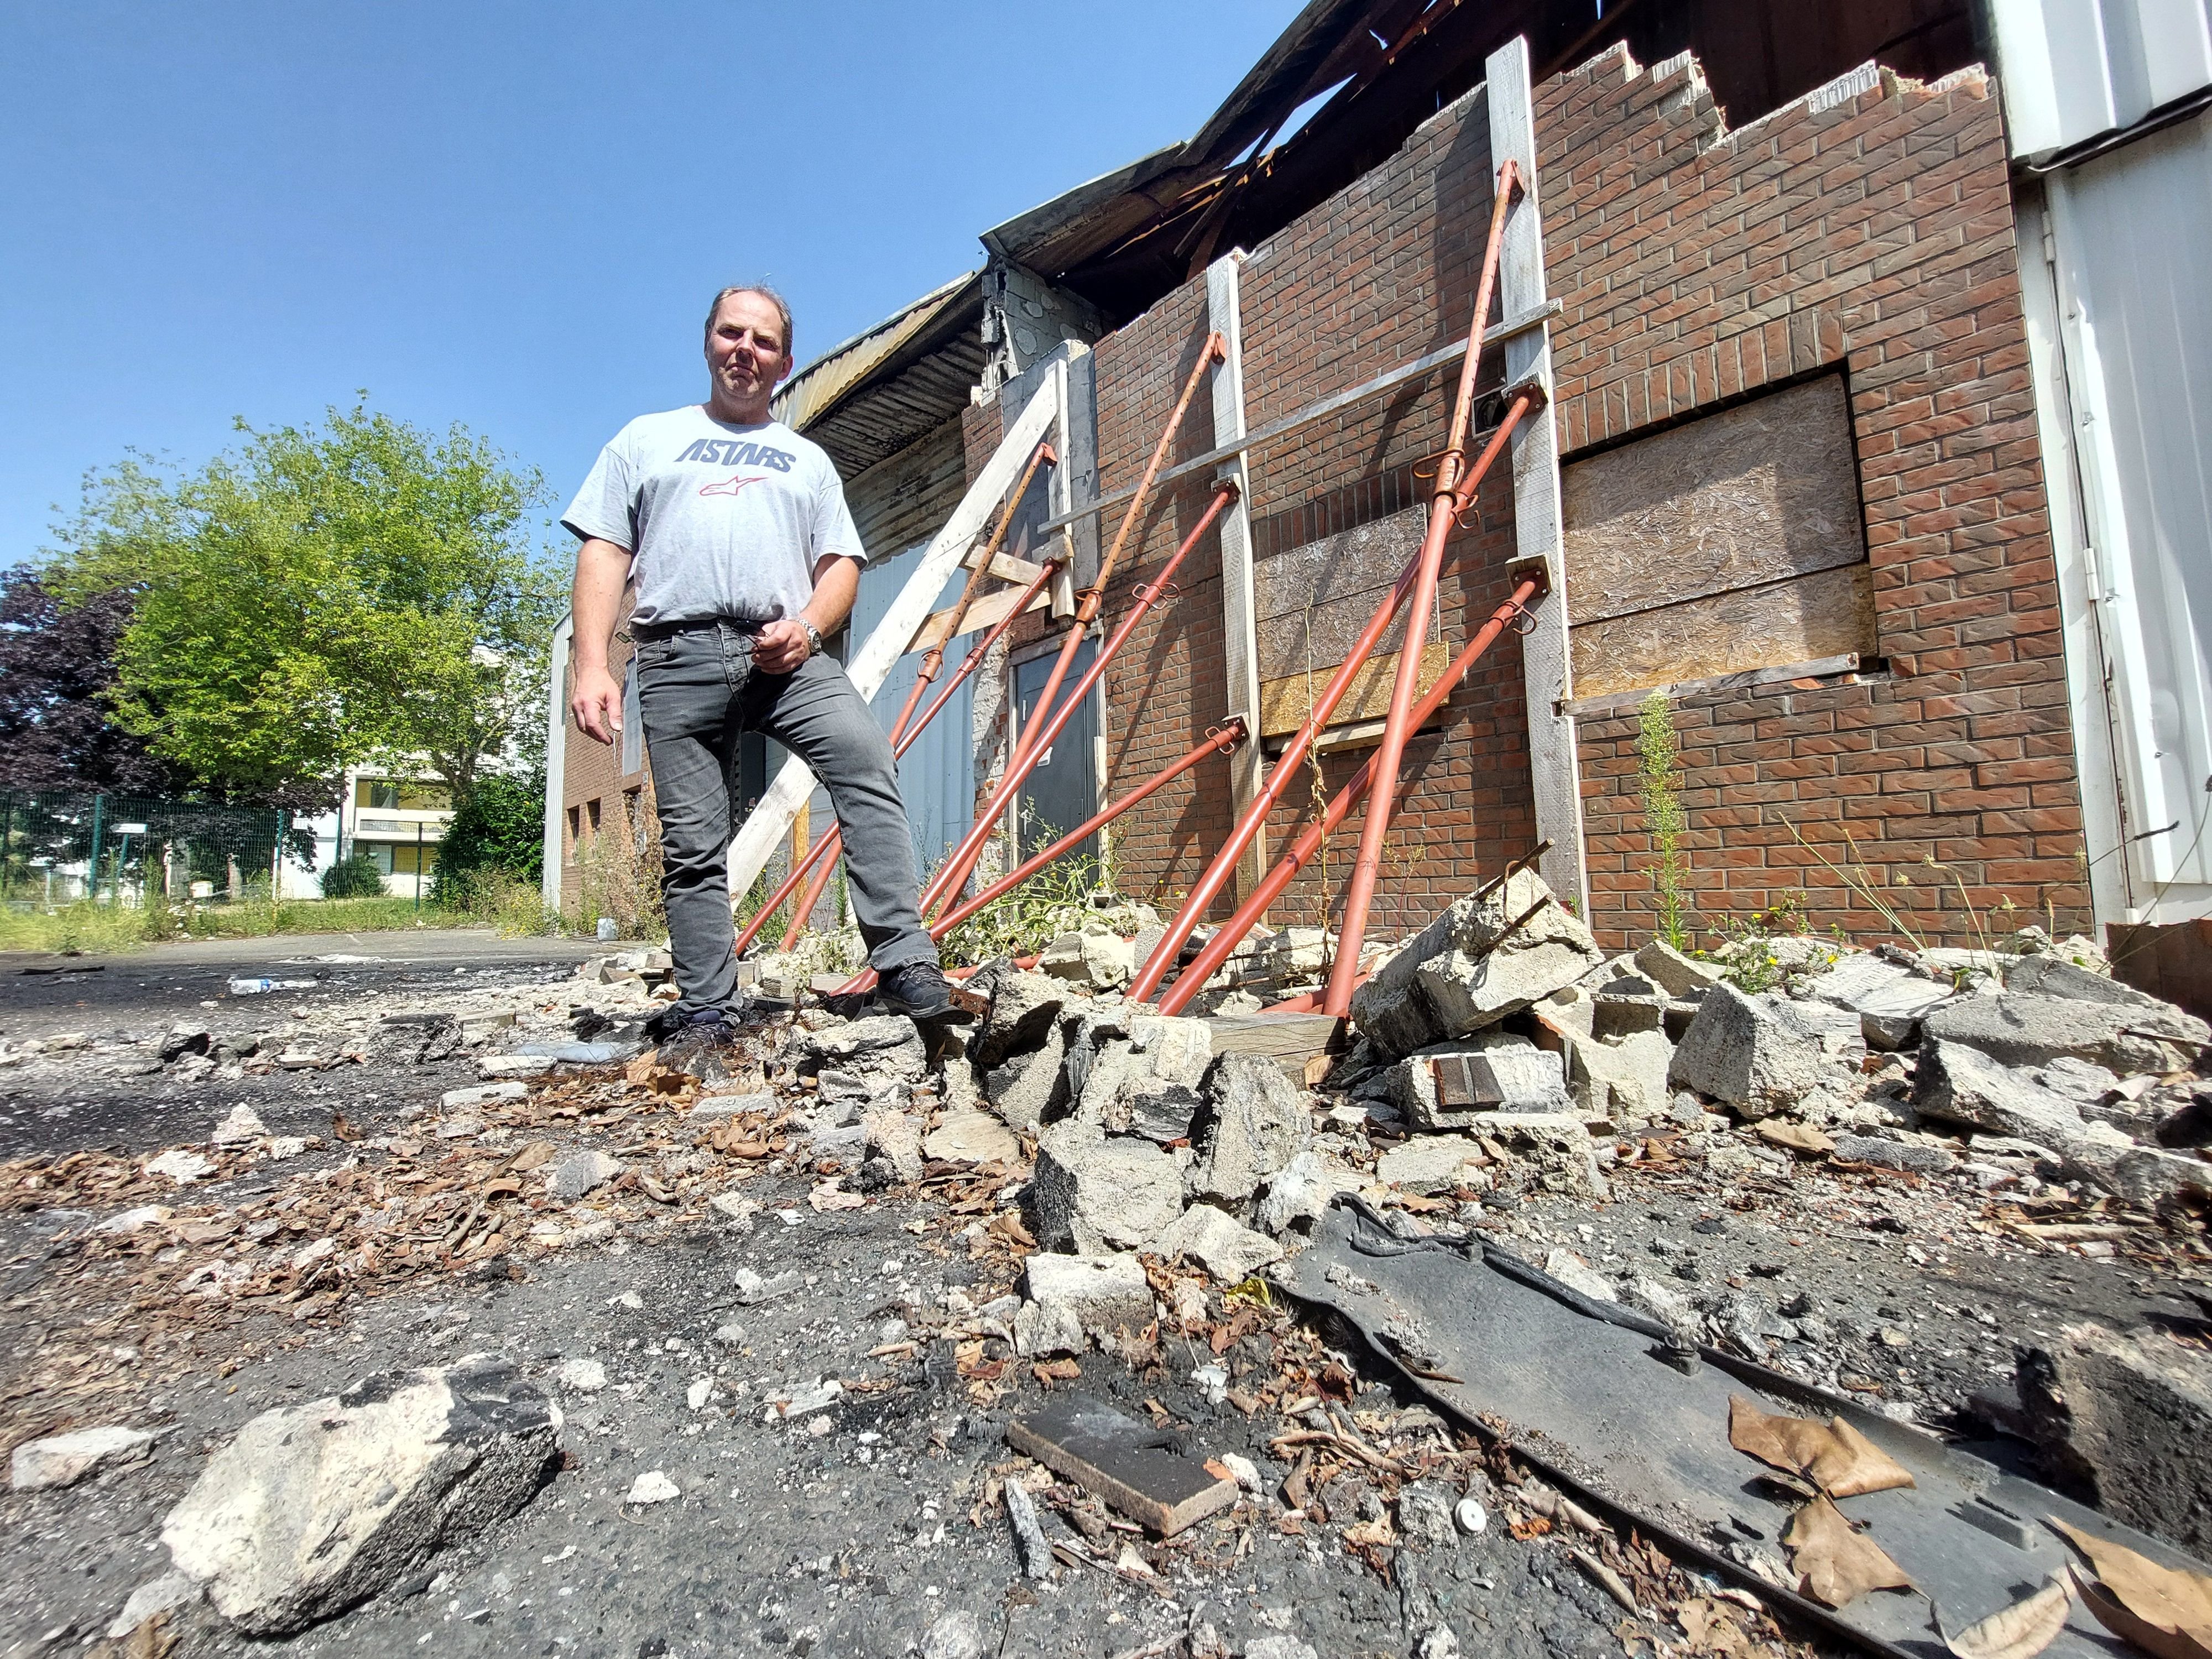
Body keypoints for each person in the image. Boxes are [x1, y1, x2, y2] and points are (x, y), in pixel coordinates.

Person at [564, 283, 968, 1047]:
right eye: (731, 333)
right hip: (676, 656)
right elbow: (604, 550)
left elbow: (842, 563)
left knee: (864, 761)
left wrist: (812, 628)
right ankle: (709, 1006)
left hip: (782, 655)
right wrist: (592, 663)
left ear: (784, 360)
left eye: (763, 340)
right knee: (693, 841)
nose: (745, 349)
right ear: (709, 341)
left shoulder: (805, 460)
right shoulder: (644, 440)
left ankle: (906, 964)